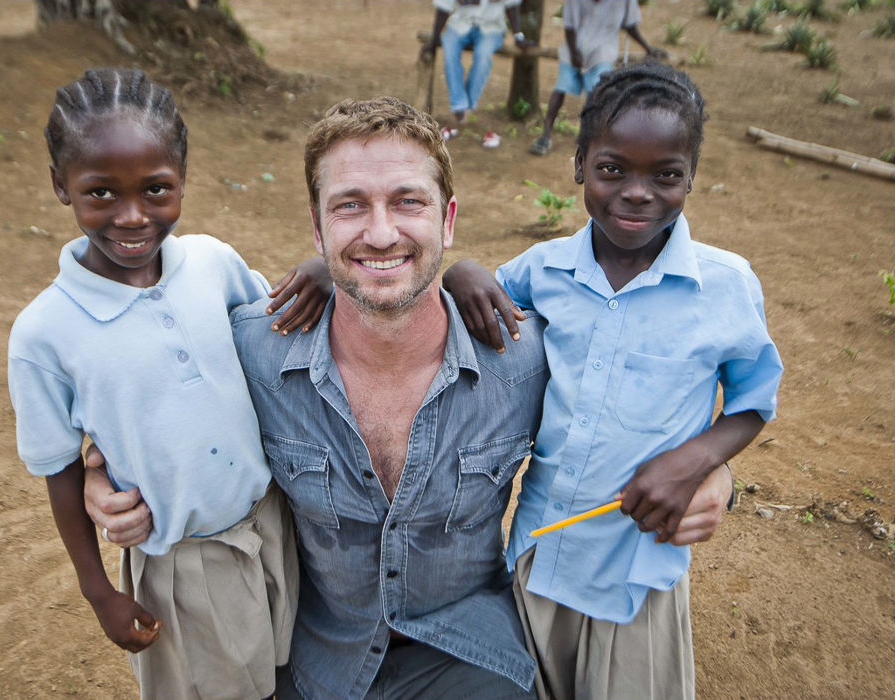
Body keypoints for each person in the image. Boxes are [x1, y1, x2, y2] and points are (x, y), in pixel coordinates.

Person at [85, 94, 735, 700]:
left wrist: (716, 478)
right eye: (349, 206)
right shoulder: (254, 349)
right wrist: (105, 478)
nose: (380, 232)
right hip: (312, 657)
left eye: (407, 202)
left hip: (469, 654)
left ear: (447, 220)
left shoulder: (527, 356)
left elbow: (626, 425)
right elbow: (150, 399)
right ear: (316, 228)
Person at [444, 63, 784, 700]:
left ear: (690, 177)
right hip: (540, 551)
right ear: (578, 165)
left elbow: (752, 403)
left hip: (638, 568)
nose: (637, 192)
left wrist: (698, 460)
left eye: (666, 175)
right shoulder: (543, 270)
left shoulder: (727, 286)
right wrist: (462, 270)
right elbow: (484, 296)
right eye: (612, 169)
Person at [7, 68, 331, 700]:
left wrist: (319, 270)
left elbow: (273, 331)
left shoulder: (212, 262)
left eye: (156, 189)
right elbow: (59, 469)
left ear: (182, 177)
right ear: (59, 185)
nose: (132, 217)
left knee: (295, 672)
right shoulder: (44, 334)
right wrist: (98, 590)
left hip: (276, 526)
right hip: (184, 564)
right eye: (100, 193)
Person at [529, 0, 666, 156]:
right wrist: (574, 52)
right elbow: (569, 27)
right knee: (561, 87)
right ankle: (546, 134)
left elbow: (630, 25)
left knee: (596, 94)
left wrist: (647, 47)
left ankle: (588, 137)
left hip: (603, 51)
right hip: (574, 48)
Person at [420, 0, 532, 146]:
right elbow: (443, 8)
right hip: (459, 25)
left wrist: (518, 36)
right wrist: (434, 41)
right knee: (450, 52)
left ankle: (468, 105)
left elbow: (511, 4)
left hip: (491, 28)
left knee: (483, 57)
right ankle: (459, 105)